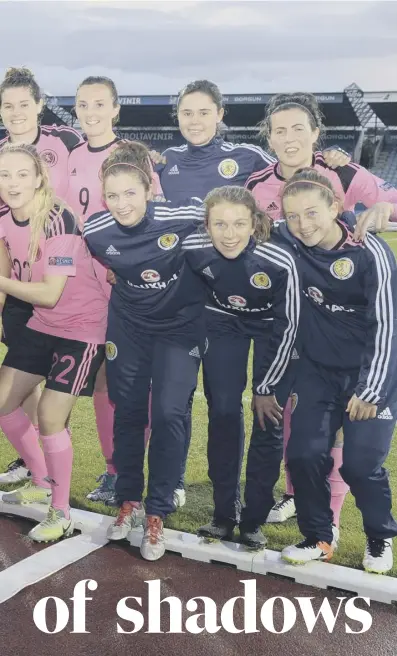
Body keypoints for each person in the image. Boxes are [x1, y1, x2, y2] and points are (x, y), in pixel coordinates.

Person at [155, 80, 349, 507]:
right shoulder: (166, 160)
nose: (195, 120)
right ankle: (217, 498)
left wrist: (336, 160)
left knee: (290, 408)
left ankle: (287, 501)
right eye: (186, 112)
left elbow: (302, 167)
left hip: (291, 307)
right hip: (214, 299)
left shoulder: (253, 159)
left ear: (221, 114)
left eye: (204, 111)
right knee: (215, 405)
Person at [245, 92, 397, 525]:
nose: (289, 138)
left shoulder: (344, 171)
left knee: (334, 417)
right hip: (288, 318)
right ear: (268, 138)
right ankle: (297, 493)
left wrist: (386, 206)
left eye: (298, 128)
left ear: (316, 133)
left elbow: (391, 201)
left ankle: (329, 509)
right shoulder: (258, 183)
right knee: (297, 413)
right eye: (279, 130)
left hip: (339, 320)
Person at [82, 141, 206, 561]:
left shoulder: (183, 213)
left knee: (170, 413)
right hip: (129, 328)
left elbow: (234, 216)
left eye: (130, 193)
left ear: (149, 189)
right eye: (112, 195)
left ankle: (158, 512)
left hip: (180, 328)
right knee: (129, 411)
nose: (121, 203)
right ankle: (129, 501)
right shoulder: (96, 231)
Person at [276, 168, 397, 575]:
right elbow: (238, 222)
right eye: (292, 216)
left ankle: (379, 537)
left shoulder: (369, 251)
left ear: (335, 207)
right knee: (303, 454)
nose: (302, 224)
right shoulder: (289, 239)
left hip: (371, 375)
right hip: (318, 370)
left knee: (360, 465)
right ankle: (319, 537)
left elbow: (386, 326)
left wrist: (372, 389)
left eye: (311, 213)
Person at [0, 143, 107, 542]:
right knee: (3, 400)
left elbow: (50, 293)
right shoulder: (4, 218)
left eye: (21, 174)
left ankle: (60, 511)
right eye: (4, 174)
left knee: (49, 415)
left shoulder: (58, 220)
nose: (12, 183)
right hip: (42, 324)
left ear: (39, 177)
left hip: (81, 328)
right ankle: (42, 480)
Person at [182, 186, 299, 548]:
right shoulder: (194, 248)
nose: (229, 234)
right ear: (207, 224)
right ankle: (223, 514)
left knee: (269, 418)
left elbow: (289, 326)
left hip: (272, 329)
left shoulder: (278, 260)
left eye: (238, 224)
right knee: (223, 414)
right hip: (222, 322)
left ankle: (253, 520)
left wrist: (266, 387)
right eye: (219, 224)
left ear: (254, 224)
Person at [67, 76, 160, 504]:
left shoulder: (133, 156)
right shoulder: (71, 156)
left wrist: (132, 266)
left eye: (100, 103)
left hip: (125, 285)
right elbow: (66, 225)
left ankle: (150, 470)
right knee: (102, 380)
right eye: (83, 104)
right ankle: (113, 469)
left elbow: (151, 217)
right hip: (82, 284)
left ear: (116, 108)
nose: (91, 112)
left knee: (134, 382)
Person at [0, 67, 84, 485]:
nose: (15, 112)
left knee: (61, 401)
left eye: (23, 104)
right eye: (7, 105)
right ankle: (35, 468)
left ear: (39, 105)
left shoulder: (65, 141)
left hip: (68, 290)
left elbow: (102, 163)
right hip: (21, 291)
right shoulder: (1, 156)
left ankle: (70, 481)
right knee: (18, 381)